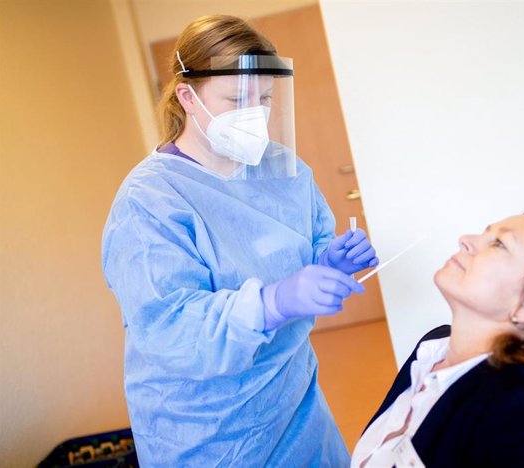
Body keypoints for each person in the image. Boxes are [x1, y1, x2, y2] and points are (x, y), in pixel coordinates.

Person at [101, 14, 379, 467]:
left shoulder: (279, 167)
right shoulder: (149, 199)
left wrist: (328, 260)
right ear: (188, 97)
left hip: (296, 402)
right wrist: (272, 302)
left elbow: (303, 244)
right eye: (236, 99)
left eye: (264, 98)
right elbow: (168, 327)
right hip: (209, 429)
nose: (255, 113)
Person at [351, 210, 524, 467]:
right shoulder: (432, 348)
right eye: (487, 234)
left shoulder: (521, 412)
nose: (465, 238)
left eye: (499, 243)